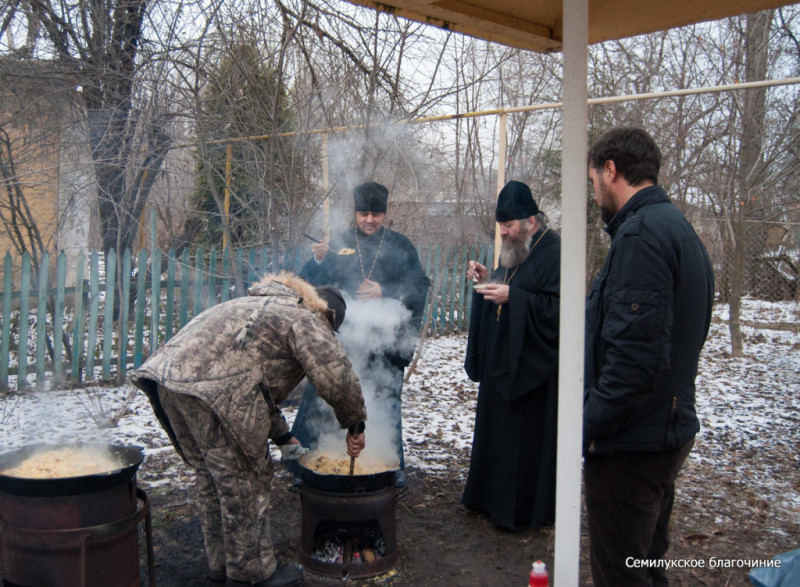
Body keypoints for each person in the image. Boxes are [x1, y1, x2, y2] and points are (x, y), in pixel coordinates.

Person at [131, 272, 367, 587]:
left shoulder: (260, 305)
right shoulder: (307, 317)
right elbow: (334, 373)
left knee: (213, 478)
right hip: (216, 392)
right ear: (328, 315)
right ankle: (252, 574)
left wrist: (283, 437)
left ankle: (221, 567)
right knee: (245, 479)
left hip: (170, 381)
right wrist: (355, 423)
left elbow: (252, 384)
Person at [584, 127, 714, 586]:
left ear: (611, 170)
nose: (594, 189)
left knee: (623, 574)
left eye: (594, 179)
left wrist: (585, 425)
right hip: (664, 432)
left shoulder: (640, 237)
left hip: (631, 446)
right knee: (646, 566)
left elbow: (633, 363)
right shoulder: (679, 228)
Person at [292, 181, 430, 487]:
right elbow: (309, 285)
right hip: (346, 341)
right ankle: (317, 465)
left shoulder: (400, 245)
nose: (370, 220)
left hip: (384, 343)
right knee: (331, 399)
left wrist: (386, 291)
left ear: (384, 213)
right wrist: (318, 260)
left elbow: (419, 285)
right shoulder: (338, 243)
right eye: (364, 213)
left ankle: (389, 466)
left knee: (383, 400)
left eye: (376, 214)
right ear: (355, 212)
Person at [461, 180, 561, 530]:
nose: (503, 232)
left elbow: (558, 311)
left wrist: (514, 299)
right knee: (497, 436)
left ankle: (517, 511)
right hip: (503, 364)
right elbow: (513, 279)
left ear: (531, 222)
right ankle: (489, 499)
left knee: (522, 444)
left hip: (533, 371)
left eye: (509, 225)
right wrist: (490, 278)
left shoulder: (556, 252)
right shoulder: (518, 248)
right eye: (501, 225)